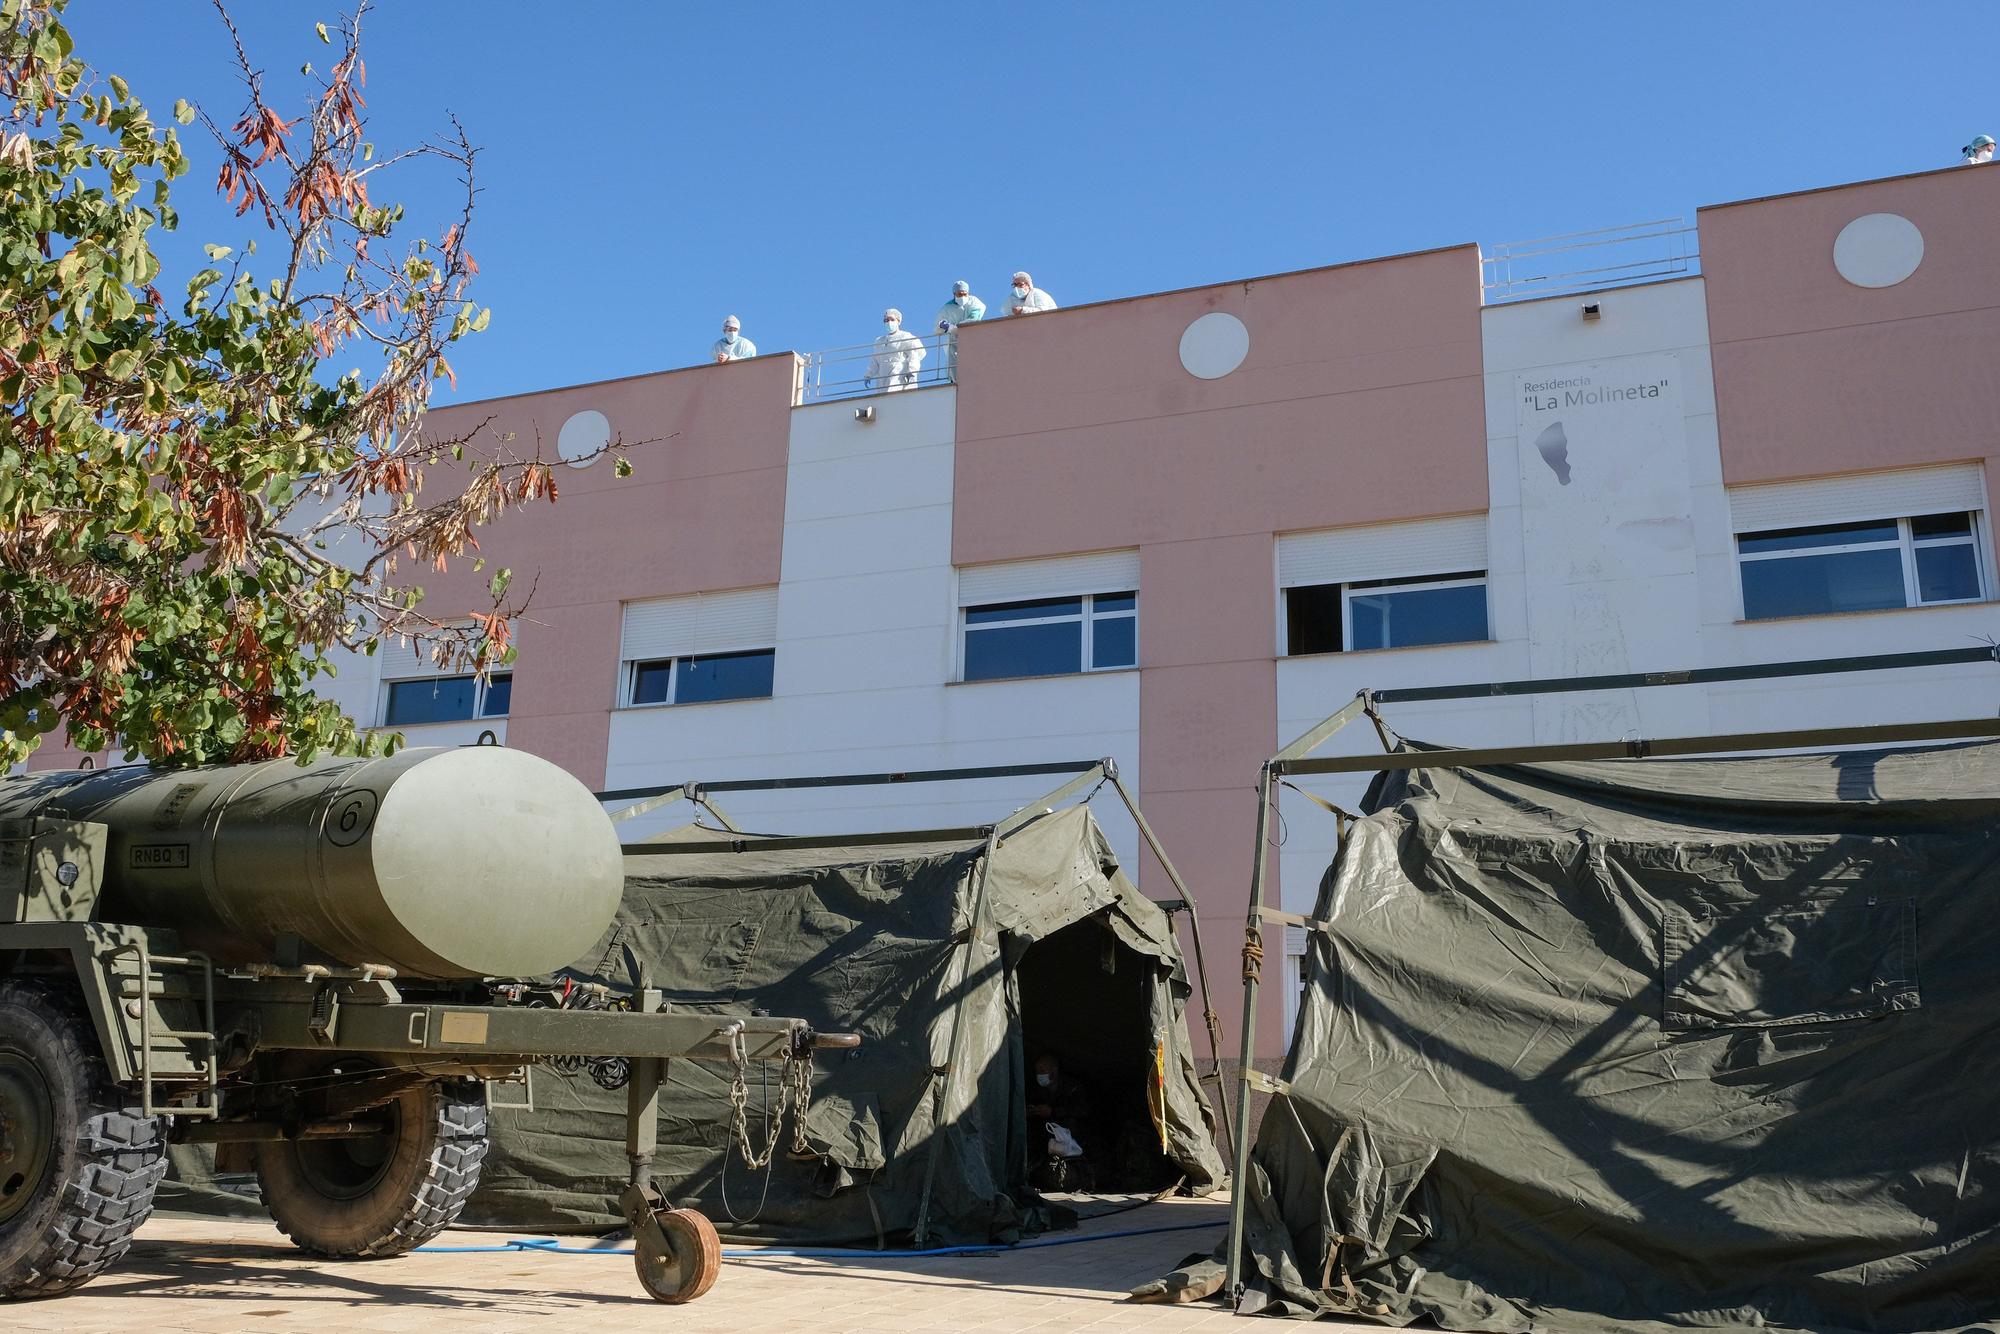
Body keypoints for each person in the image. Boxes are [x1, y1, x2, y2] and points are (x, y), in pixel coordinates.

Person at [1027, 1052, 1092, 1191]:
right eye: (1037, 1071)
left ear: (1054, 1071)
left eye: (1043, 1071)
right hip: (1045, 1136)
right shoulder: (1036, 1089)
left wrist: (1053, 1111)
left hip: (1070, 1135)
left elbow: (1081, 1111)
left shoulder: (1072, 1087)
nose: (1039, 1075)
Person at [934, 280, 985, 381]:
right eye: (959, 294)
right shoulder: (947, 307)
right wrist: (945, 326)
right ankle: (954, 380)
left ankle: (975, 378)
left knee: (972, 358)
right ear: (954, 294)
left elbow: (974, 318)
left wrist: (957, 328)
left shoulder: (974, 302)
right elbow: (938, 325)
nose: (962, 297)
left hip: (971, 335)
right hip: (953, 338)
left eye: (964, 294)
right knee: (952, 359)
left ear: (968, 293)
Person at [866, 308, 925, 392]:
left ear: (898, 321)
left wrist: (911, 371)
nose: (889, 322)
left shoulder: (905, 337)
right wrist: (869, 374)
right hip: (883, 374)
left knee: (893, 392)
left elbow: (914, 355)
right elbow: (875, 360)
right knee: (882, 397)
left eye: (892, 319)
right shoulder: (880, 341)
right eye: (886, 320)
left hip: (898, 371)